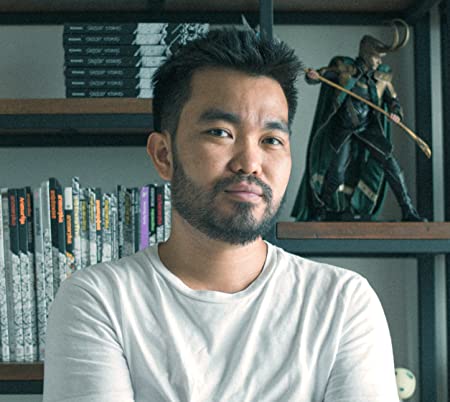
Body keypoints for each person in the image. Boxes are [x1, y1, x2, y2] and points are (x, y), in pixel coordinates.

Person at [43, 28, 398, 401]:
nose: (250, 163)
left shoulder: (342, 303)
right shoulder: (99, 300)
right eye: (220, 132)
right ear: (164, 155)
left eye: (271, 140)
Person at [291, 20, 424, 222]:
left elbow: (393, 101)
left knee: (391, 164)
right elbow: (321, 75)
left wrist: (396, 112)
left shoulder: (382, 77)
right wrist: (313, 76)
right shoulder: (344, 68)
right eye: (376, 57)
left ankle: (408, 210)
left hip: (369, 128)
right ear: (366, 54)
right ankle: (321, 210)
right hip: (345, 128)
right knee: (336, 171)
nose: (378, 61)